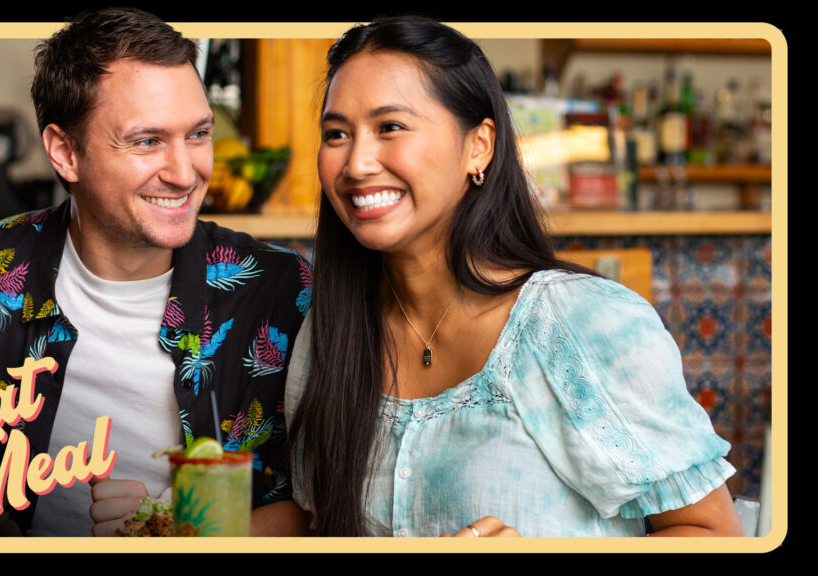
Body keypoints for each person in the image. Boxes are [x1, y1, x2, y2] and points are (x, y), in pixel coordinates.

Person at [0, 7, 311, 537]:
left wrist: (179, 527)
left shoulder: (283, 290)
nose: (186, 173)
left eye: (198, 134)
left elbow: (338, 503)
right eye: (146, 141)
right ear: (65, 153)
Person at [284, 16, 744, 537]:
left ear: (478, 145)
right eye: (337, 134)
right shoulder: (329, 334)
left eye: (391, 126)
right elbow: (313, 524)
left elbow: (716, 535)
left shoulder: (581, 322)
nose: (357, 163)